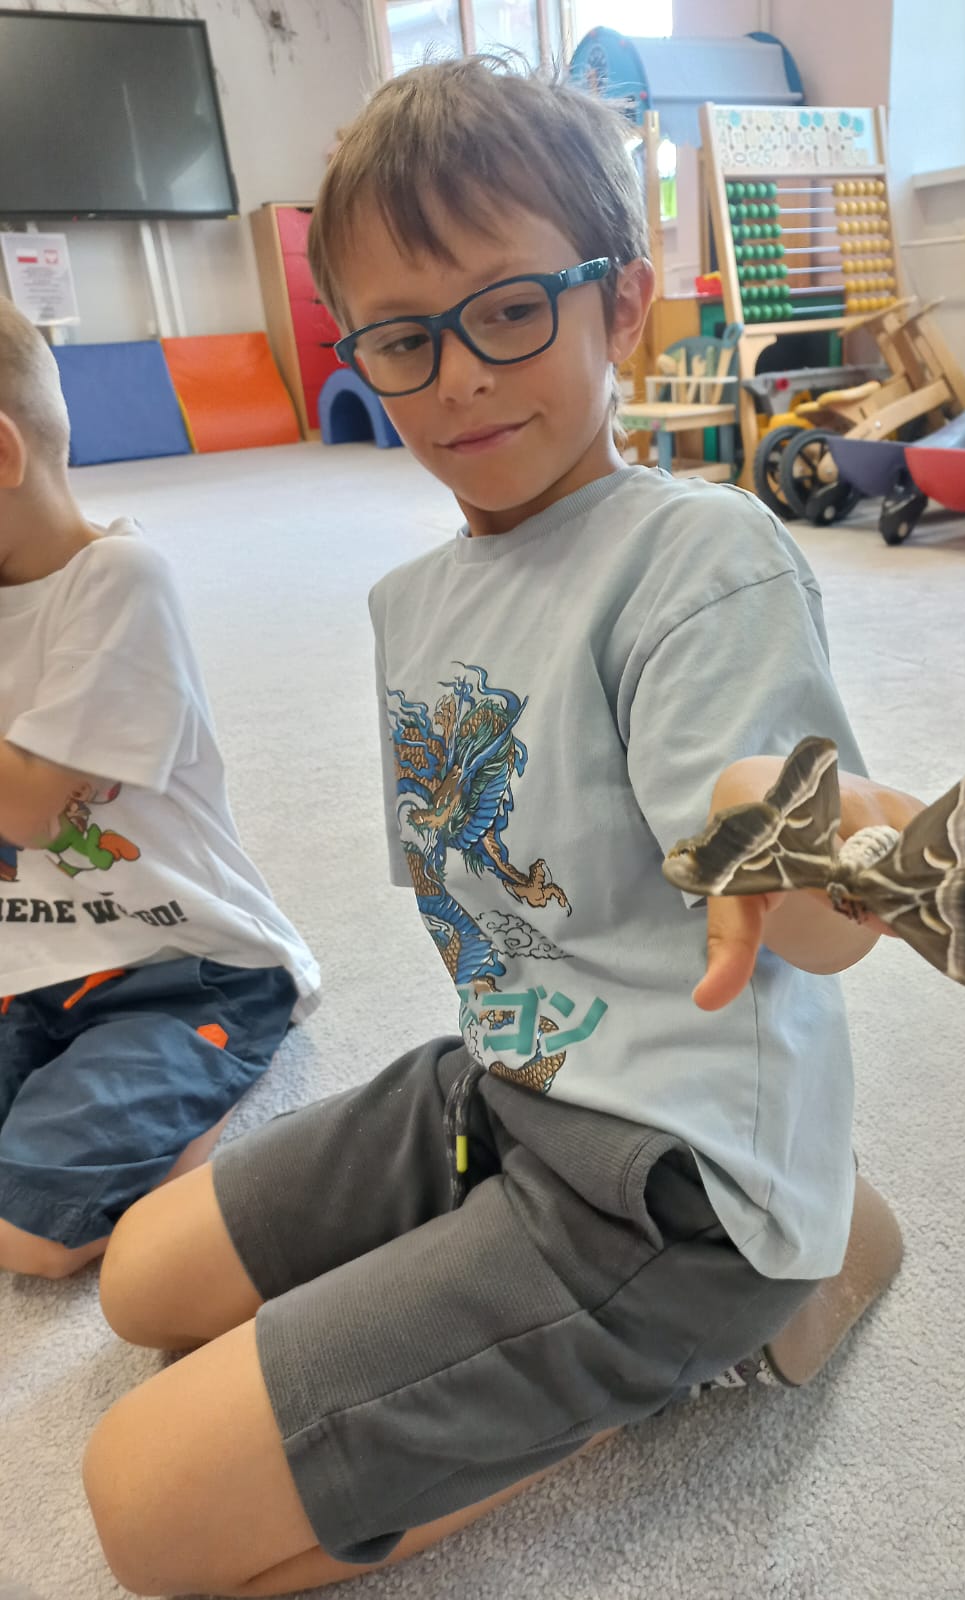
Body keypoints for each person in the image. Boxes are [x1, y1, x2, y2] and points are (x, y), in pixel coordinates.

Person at [83, 58, 916, 1598]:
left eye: (512, 310)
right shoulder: (419, 601)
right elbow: (500, 904)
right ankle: (752, 1233)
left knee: (144, 1509)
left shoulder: (700, 559)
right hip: (510, 1081)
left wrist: (810, 835)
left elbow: (809, 925)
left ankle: (749, 1293)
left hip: (664, 1187)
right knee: (142, 1281)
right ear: (359, 358)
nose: (460, 376)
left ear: (622, 304)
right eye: (405, 338)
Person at [0, 298, 319, 1281]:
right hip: (26, 968)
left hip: (181, 964)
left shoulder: (119, 579)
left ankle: (207, 1086)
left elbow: (31, 809)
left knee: (33, 1230)